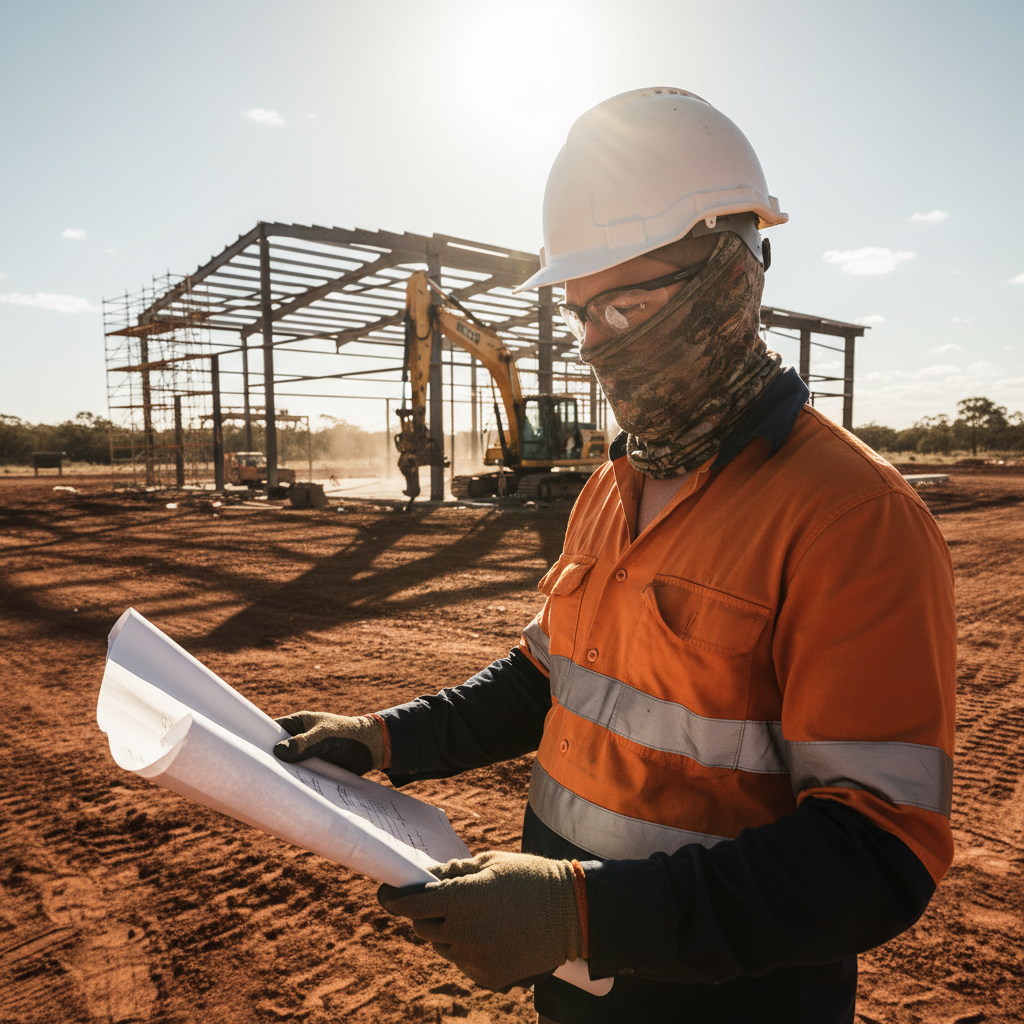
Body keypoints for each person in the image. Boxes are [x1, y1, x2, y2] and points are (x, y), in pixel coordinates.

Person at [274, 88, 956, 1024]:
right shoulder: (614, 485)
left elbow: (875, 853)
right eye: (582, 314)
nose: (598, 345)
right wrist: (386, 736)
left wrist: (582, 911)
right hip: (580, 989)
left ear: (733, 277)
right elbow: (547, 679)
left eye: (627, 305)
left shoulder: (851, 517)